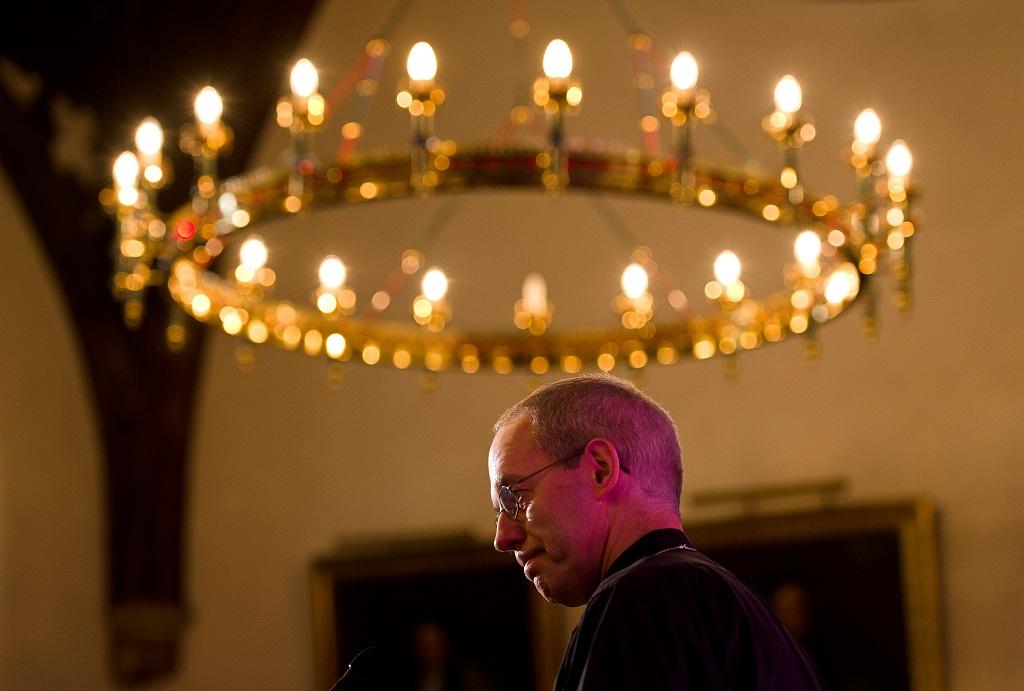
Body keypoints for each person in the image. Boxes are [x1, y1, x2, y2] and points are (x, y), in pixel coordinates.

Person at [488, 374, 823, 690]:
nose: (503, 538)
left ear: (600, 469)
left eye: (514, 496)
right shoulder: (734, 609)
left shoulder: (644, 599)